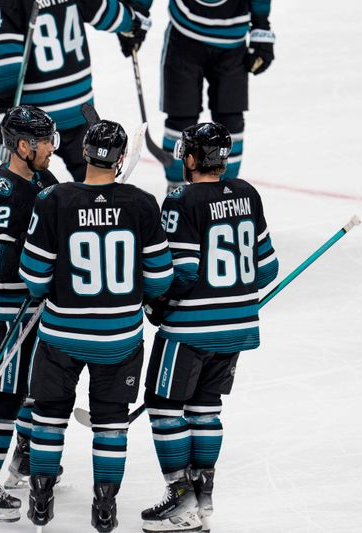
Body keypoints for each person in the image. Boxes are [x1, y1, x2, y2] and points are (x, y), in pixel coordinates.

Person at [19, 120, 173, 532]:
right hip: (119, 338)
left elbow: (34, 277)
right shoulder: (141, 204)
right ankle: (104, 506)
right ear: (121, 160)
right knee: (111, 422)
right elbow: (160, 279)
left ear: (84, 153)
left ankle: (40, 494)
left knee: (49, 415)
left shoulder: (54, 200)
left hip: (61, 335)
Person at [140, 122, 279, 532]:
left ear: (193, 158)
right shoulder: (247, 194)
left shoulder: (180, 198)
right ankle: (203, 500)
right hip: (236, 326)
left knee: (165, 408)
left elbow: (179, 272)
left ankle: (180, 504)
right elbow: (267, 267)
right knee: (205, 409)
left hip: (188, 330)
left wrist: (156, 303)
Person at [0, 106, 60, 523]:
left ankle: (23, 457)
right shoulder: (3, 189)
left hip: (35, 308)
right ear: (23, 146)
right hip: (12, 312)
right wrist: (34, 263)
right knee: (4, 396)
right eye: (45, 142)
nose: (53, 148)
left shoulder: (42, 179)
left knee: (32, 388)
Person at [0, 0, 151, 182]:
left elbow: (5, 70)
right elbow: (106, 13)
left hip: (34, 121)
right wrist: (132, 23)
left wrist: (8, 115)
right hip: (79, 110)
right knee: (93, 184)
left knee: (27, 186)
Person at [144, 0, 275, 192]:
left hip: (232, 43)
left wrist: (262, 26)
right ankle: (177, 189)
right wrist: (137, 11)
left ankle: (225, 191)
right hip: (184, 37)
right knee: (181, 118)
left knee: (230, 119)